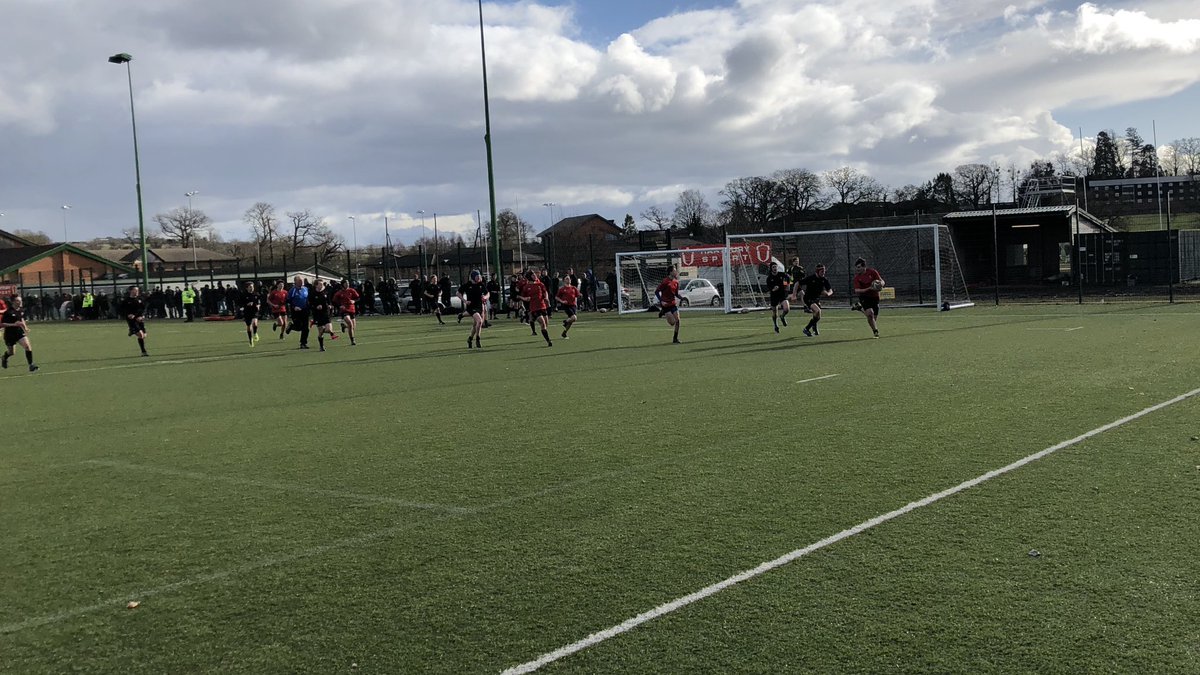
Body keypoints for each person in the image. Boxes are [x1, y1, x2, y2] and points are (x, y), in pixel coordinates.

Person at [1, 296, 38, 372]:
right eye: (18, 301)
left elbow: (21, 319)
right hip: (9, 334)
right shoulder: (8, 312)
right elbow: (2, 324)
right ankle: (4, 358)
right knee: (11, 352)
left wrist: (25, 327)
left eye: (20, 300)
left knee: (27, 346)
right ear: (13, 302)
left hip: (19, 332)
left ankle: (31, 365)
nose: (20, 302)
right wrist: (14, 324)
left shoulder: (21, 310)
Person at [851, 257, 885, 338]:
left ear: (864, 267)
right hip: (864, 297)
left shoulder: (872, 272)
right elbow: (857, 290)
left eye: (859, 267)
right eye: (856, 267)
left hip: (875, 297)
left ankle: (859, 308)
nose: (857, 269)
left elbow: (882, 281)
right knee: (870, 314)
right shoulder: (857, 278)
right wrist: (869, 288)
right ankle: (875, 332)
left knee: (873, 318)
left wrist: (880, 284)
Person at [518, 269, 553, 346]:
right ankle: (548, 341)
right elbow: (521, 296)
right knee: (543, 323)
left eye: (535, 275)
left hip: (542, 306)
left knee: (546, 324)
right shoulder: (526, 287)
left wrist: (546, 298)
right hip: (534, 308)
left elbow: (545, 292)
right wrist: (525, 299)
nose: (535, 276)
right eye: (533, 275)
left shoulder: (540, 284)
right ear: (530, 277)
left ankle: (533, 322)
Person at [799, 264, 834, 337]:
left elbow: (830, 290)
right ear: (817, 271)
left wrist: (828, 293)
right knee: (818, 311)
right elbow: (798, 283)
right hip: (808, 298)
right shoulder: (811, 278)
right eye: (822, 271)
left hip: (816, 299)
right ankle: (806, 329)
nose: (823, 273)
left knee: (818, 316)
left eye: (824, 271)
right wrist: (793, 294)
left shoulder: (824, 280)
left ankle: (813, 326)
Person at [458, 270, 489, 349]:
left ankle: (470, 339)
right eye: (477, 276)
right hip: (471, 306)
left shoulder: (481, 284)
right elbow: (458, 293)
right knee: (479, 321)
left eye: (479, 276)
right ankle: (478, 339)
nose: (479, 278)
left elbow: (487, 293)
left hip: (479, 306)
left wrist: (485, 297)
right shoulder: (468, 285)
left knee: (476, 325)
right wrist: (465, 301)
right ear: (473, 277)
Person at [119, 286, 150, 357]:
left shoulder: (140, 299)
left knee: (144, 336)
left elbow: (144, 308)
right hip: (132, 320)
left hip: (140, 319)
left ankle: (132, 331)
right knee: (141, 335)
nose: (137, 291)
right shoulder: (126, 300)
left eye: (137, 290)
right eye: (135, 290)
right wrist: (128, 315)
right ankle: (143, 352)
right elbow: (121, 310)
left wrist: (142, 316)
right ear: (131, 291)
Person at [309, 279, 339, 352]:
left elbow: (329, 302)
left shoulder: (326, 292)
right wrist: (316, 306)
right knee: (320, 332)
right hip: (317, 314)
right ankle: (321, 346)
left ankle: (331, 333)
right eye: (320, 284)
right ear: (316, 285)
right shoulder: (312, 293)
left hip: (326, 313)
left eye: (322, 284)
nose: (322, 285)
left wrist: (330, 306)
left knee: (328, 329)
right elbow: (310, 304)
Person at [655, 265, 682, 344]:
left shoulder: (676, 282)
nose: (676, 272)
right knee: (672, 323)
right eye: (674, 270)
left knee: (678, 321)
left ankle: (675, 338)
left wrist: (681, 298)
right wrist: (661, 301)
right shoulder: (665, 281)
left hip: (673, 304)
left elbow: (676, 294)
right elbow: (656, 292)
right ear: (670, 272)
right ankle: (663, 311)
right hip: (666, 305)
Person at [286, 276, 311, 349]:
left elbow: (308, 298)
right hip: (296, 311)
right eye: (299, 281)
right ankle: (291, 326)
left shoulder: (306, 289)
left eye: (302, 281)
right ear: (295, 282)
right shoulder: (292, 290)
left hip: (304, 310)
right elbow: (288, 301)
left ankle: (303, 343)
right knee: (299, 327)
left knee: (306, 328)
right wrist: (294, 307)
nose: (301, 282)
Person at [766, 262, 792, 333]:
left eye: (776, 267)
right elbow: (770, 289)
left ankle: (782, 316)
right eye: (773, 267)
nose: (775, 268)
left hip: (782, 295)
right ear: (771, 268)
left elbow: (788, 279)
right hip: (774, 296)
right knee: (774, 312)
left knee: (786, 309)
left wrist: (787, 285)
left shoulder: (782, 275)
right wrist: (774, 289)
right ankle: (775, 325)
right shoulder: (769, 278)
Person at [333, 280, 360, 346]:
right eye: (346, 283)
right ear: (342, 284)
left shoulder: (352, 290)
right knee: (350, 323)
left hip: (352, 309)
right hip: (344, 310)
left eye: (348, 283)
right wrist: (340, 306)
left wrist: (354, 301)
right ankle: (352, 340)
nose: (347, 284)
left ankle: (344, 326)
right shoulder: (339, 293)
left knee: (352, 327)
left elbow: (358, 298)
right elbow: (334, 301)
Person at [239, 281, 261, 347]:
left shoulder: (256, 294)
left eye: (252, 287)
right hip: (247, 312)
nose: (252, 288)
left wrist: (258, 306)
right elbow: (240, 304)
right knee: (249, 326)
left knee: (255, 323)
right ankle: (250, 339)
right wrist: (246, 304)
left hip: (254, 311)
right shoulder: (243, 295)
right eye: (250, 287)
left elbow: (259, 303)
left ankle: (255, 333)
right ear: (247, 288)